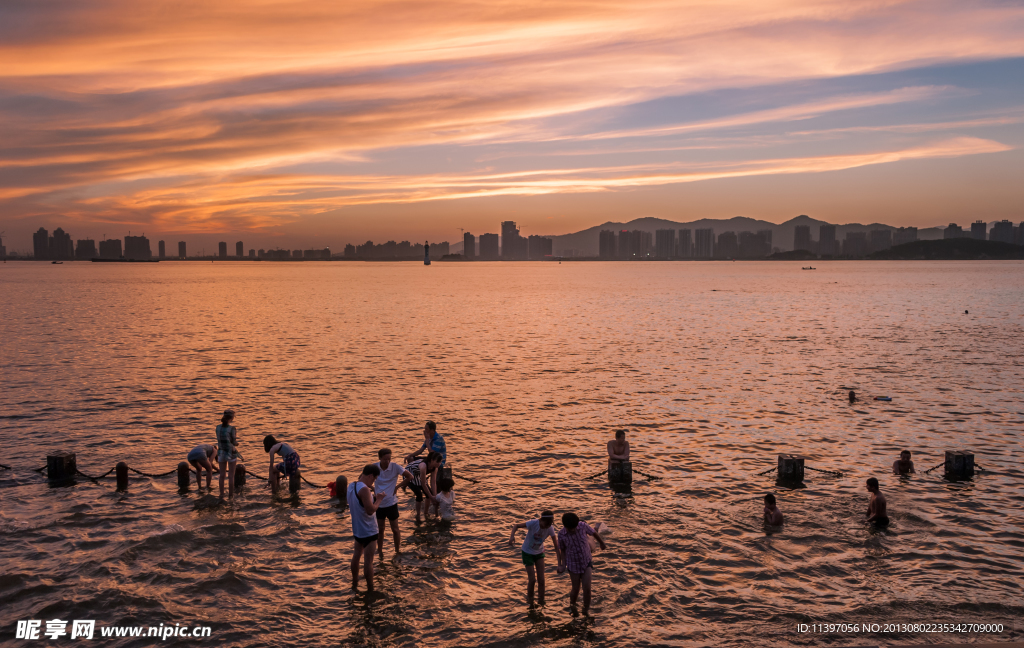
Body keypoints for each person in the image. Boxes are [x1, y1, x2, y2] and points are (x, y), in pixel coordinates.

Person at [557, 512, 606, 615]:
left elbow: (593, 533)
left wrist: (601, 542)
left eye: (574, 528)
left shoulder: (582, 526)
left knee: (587, 589)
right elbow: (563, 551)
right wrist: (562, 565)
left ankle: (586, 610)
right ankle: (573, 608)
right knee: (575, 589)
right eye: (570, 529)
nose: (573, 530)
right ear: (565, 527)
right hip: (573, 563)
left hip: (586, 560)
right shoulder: (561, 534)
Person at [509, 511, 561, 604]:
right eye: (545, 524)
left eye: (549, 524)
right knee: (532, 579)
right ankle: (530, 601)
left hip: (539, 552)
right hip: (527, 552)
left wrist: (560, 563)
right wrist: (512, 536)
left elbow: (556, 547)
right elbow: (516, 525)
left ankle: (541, 601)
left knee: (541, 579)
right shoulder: (533, 523)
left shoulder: (550, 528)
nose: (546, 526)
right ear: (541, 520)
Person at [348, 464, 384, 592]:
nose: (373, 482)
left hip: (357, 529)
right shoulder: (364, 490)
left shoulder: (352, 486)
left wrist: (371, 495)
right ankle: (370, 589)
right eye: (373, 479)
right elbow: (370, 510)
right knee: (368, 562)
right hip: (369, 530)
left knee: (356, 556)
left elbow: (361, 503)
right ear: (370, 476)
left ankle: (355, 582)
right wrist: (378, 499)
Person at [373, 448, 415, 558]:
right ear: (380, 458)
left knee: (395, 529)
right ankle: (380, 551)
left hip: (391, 503)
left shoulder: (395, 466)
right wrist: (373, 489)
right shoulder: (374, 467)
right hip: (379, 503)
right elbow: (362, 479)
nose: (387, 461)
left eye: (389, 459)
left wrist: (398, 486)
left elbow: (410, 476)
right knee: (380, 529)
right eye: (385, 459)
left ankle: (397, 551)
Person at [402, 451, 444, 518]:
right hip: (409, 474)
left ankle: (426, 513)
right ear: (432, 460)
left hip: (419, 475)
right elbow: (423, 484)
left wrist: (435, 496)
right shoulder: (423, 465)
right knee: (419, 494)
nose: (439, 464)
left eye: (440, 462)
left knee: (429, 493)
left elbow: (433, 482)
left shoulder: (435, 467)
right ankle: (418, 515)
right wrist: (431, 497)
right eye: (437, 462)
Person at [215, 410, 241, 500]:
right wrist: (237, 444)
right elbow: (233, 442)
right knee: (231, 476)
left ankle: (221, 495)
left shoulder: (217, 427)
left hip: (221, 452)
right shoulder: (232, 429)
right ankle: (230, 496)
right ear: (232, 418)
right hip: (231, 453)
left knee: (222, 475)